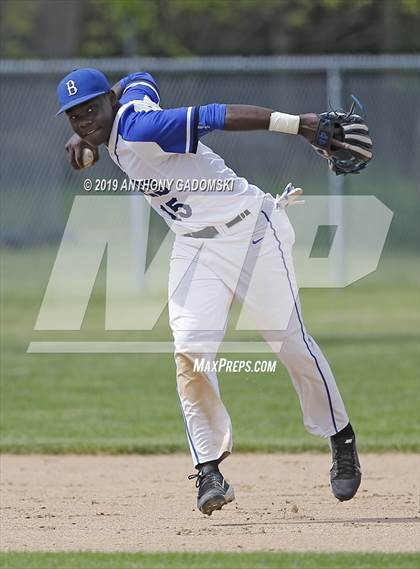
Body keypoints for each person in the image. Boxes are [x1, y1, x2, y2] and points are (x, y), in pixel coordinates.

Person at [57, 67, 362, 516]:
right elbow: (141, 74)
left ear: (108, 102)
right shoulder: (122, 109)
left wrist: (299, 123)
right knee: (190, 352)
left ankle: (341, 437)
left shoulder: (141, 127)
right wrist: (93, 126)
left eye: (91, 109)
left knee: (291, 344)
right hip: (193, 246)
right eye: (74, 116)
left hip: (252, 234)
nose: (84, 120)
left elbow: (217, 115)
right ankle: (209, 469)